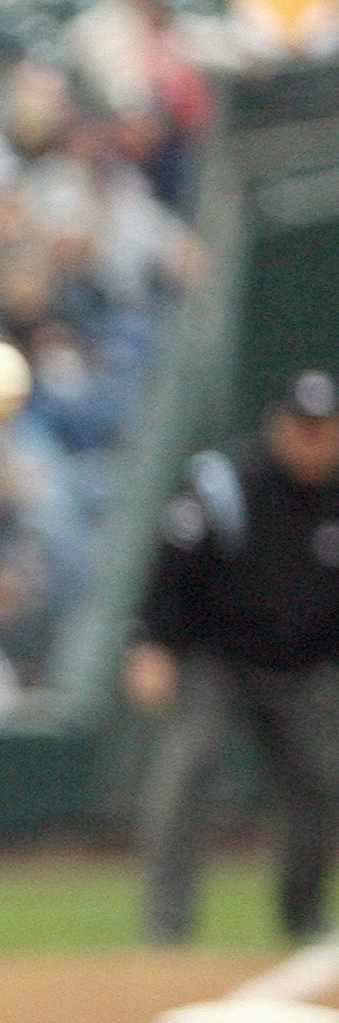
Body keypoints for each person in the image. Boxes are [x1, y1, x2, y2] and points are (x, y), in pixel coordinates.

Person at [128, 370, 339, 947]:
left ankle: (303, 918)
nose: (316, 442)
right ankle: (166, 924)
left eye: (326, 430)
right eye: (306, 428)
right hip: (214, 655)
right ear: (280, 427)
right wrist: (152, 642)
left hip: (299, 665)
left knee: (320, 782)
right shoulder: (228, 484)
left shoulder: (330, 501)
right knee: (189, 766)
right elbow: (173, 566)